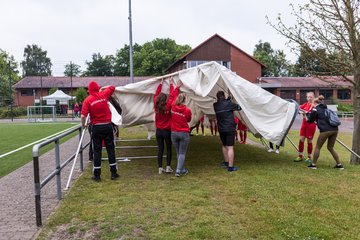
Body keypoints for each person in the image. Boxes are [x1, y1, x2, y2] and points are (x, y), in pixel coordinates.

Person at [81, 81, 119, 181]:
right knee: (110, 149)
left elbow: (83, 116)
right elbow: (112, 87)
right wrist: (102, 88)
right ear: (98, 88)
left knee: (97, 151)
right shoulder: (103, 94)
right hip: (107, 126)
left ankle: (97, 175)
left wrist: (83, 124)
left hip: (96, 127)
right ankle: (113, 173)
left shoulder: (87, 100)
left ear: (89, 90)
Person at [306, 95, 344, 170]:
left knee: (318, 147)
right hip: (335, 130)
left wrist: (305, 115)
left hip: (325, 131)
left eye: (313, 104)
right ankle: (339, 165)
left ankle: (313, 165)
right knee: (330, 147)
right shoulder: (327, 108)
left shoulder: (315, 109)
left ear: (315, 103)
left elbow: (310, 120)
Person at [213, 91, 242, 172]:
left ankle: (226, 162)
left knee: (224, 145)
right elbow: (239, 107)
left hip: (221, 129)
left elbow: (223, 105)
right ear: (224, 96)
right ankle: (230, 167)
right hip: (229, 128)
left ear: (217, 97)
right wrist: (230, 100)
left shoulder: (215, 105)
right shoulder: (229, 104)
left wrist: (228, 100)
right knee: (230, 147)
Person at [170, 81, 192, 177]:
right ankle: (178, 171)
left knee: (178, 152)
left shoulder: (173, 107)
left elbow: (172, 97)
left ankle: (182, 169)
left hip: (174, 133)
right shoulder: (187, 110)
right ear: (185, 100)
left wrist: (176, 87)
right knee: (182, 153)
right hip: (184, 133)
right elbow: (188, 119)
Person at [154, 79, 175, 174]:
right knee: (169, 149)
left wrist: (160, 83)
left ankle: (159, 168)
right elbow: (173, 95)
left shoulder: (156, 105)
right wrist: (171, 84)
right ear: (165, 99)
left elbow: (156, 94)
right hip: (167, 131)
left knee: (160, 149)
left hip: (158, 131)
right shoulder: (168, 105)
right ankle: (168, 167)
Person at [294, 92, 317, 163]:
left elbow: (314, 114)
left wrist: (306, 113)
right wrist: (300, 111)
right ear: (307, 98)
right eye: (308, 97)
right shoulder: (305, 104)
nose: (309, 98)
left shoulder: (315, 105)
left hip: (311, 125)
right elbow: (299, 109)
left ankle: (309, 157)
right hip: (304, 125)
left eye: (311, 97)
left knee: (309, 141)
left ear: (313, 97)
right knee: (301, 139)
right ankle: (300, 156)